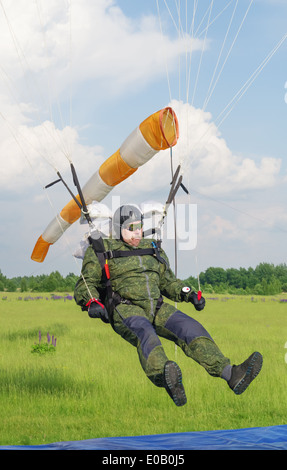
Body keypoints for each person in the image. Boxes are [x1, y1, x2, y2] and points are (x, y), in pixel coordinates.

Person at [74, 204, 263, 406]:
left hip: (157, 307)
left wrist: (188, 294)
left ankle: (231, 374)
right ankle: (167, 377)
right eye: (131, 228)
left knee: (190, 328)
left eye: (139, 227)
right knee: (146, 334)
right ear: (119, 228)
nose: (136, 232)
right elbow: (85, 284)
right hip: (126, 308)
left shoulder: (152, 248)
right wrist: (92, 301)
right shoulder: (102, 249)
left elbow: (168, 282)